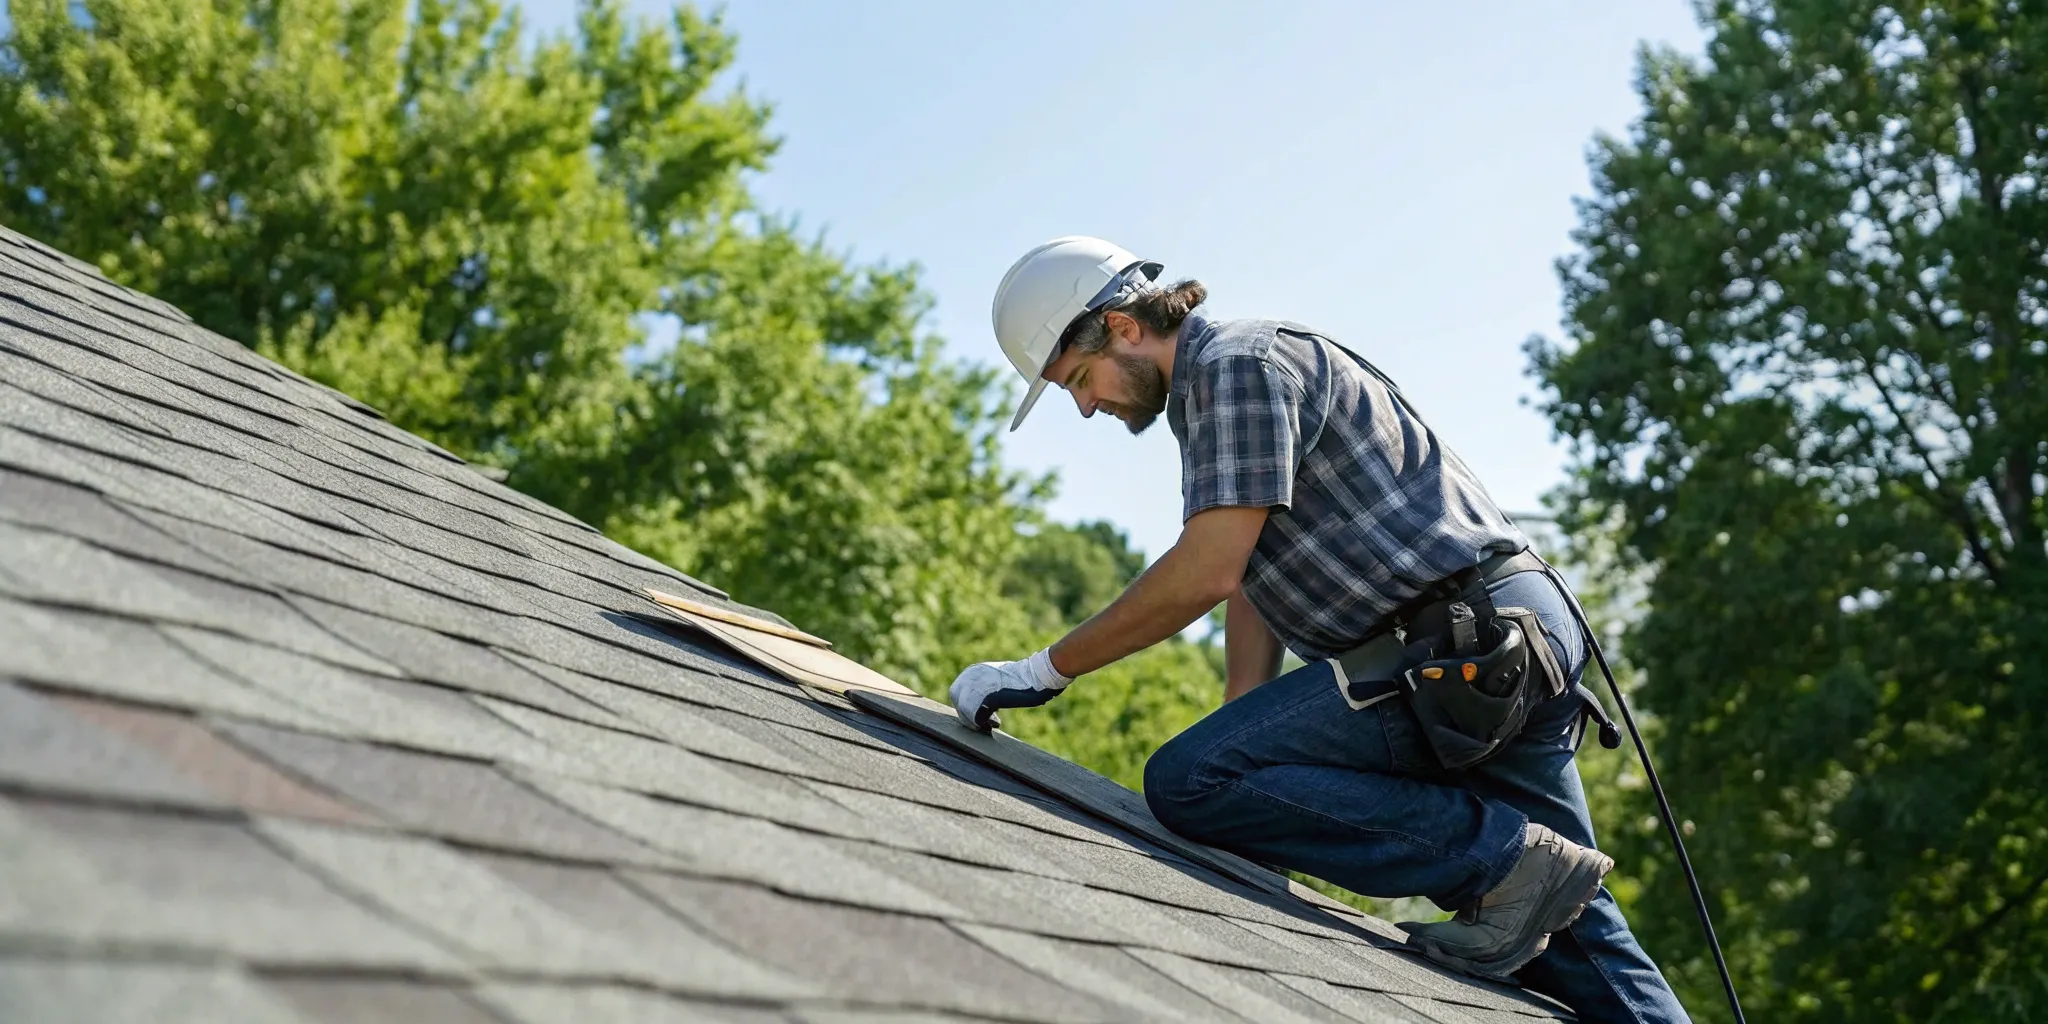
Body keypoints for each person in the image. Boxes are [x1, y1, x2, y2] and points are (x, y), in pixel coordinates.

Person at [948, 236, 1692, 1023]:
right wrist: (1241, 718)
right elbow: (1253, 567)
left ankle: (1502, 860)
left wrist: (1045, 668)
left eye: (1076, 380)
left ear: (1122, 327)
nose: (1087, 405)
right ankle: (1519, 872)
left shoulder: (1236, 368)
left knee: (1190, 781)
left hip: (1451, 653)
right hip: (1497, 644)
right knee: (1572, 934)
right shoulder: (1221, 383)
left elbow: (1208, 569)